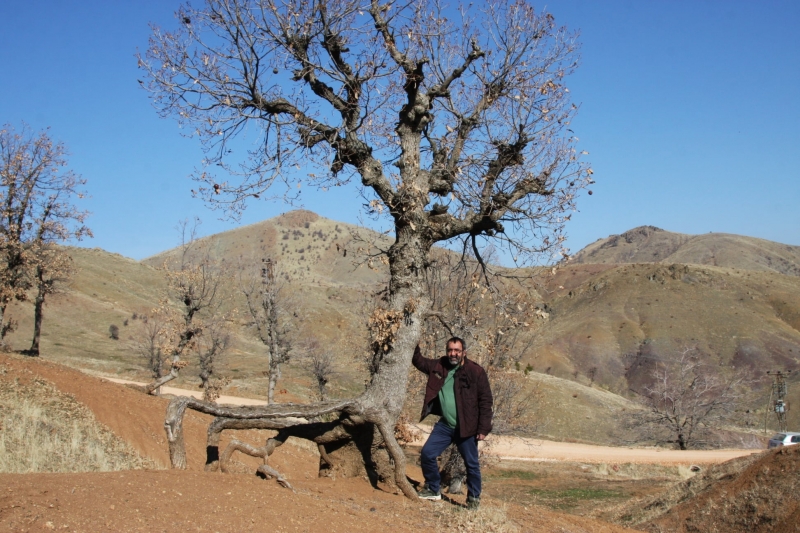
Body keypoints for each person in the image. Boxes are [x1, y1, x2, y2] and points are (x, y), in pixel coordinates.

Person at [412, 337, 493, 509]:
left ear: (464, 352)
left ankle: (473, 499)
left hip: (467, 427)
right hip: (446, 425)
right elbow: (419, 362)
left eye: (457, 350)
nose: (453, 354)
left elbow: (486, 400)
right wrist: (414, 342)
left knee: (471, 464)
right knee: (427, 453)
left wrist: (483, 428)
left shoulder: (475, 371)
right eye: (450, 350)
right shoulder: (439, 365)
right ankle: (433, 489)